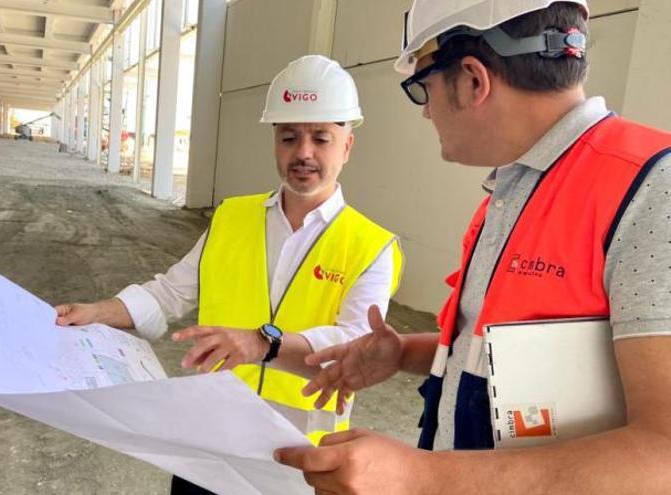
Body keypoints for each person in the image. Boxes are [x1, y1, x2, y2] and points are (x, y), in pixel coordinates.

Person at [274, 1, 671, 493]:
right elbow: (516, 357)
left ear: (471, 80)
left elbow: (663, 455)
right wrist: (405, 354)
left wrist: (419, 477)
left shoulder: (653, 191)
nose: (424, 111)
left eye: (422, 87)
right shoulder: (515, 189)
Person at [54, 54, 404, 494]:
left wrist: (263, 344)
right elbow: (168, 293)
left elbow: (353, 344)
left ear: (347, 146)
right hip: (210, 434)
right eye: (289, 137)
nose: (304, 153)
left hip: (298, 449)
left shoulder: (370, 245)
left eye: (321, 138)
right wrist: (100, 311)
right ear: (275, 141)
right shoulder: (231, 218)